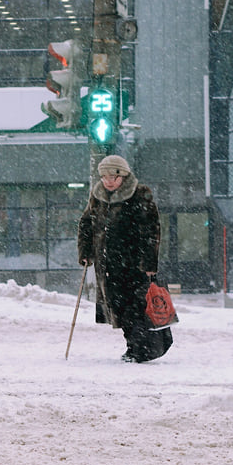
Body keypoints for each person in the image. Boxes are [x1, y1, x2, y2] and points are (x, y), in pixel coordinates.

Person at [77, 154, 170, 363]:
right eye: (105, 177)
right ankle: (133, 346)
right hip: (107, 264)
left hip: (133, 264)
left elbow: (151, 230)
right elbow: (86, 224)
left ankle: (140, 349)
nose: (108, 181)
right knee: (117, 307)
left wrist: (148, 263)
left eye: (113, 177)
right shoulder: (97, 195)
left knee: (135, 307)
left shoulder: (140, 194)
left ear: (123, 176)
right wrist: (86, 252)